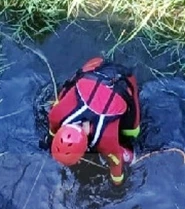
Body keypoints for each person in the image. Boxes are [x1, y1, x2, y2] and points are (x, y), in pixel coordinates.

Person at [47, 56, 142, 186]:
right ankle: (102, 58)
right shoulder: (55, 115)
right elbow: (52, 134)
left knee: (132, 132)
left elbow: (116, 163)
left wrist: (118, 185)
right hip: (96, 70)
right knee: (64, 93)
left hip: (123, 79)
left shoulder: (105, 139)